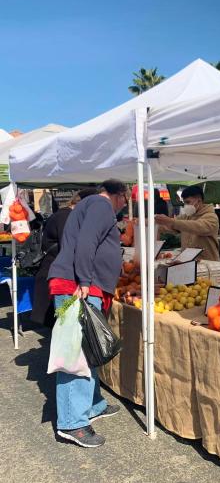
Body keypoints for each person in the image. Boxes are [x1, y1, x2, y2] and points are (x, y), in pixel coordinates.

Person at [47, 179, 128, 448]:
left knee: (89, 346)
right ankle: (72, 423)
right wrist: (83, 280)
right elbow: (86, 242)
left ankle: (92, 404)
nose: (124, 206)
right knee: (76, 353)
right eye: (125, 200)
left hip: (82, 285)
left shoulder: (91, 205)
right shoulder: (101, 205)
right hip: (77, 287)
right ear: (118, 195)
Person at [30, 188, 97, 329]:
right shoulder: (65, 217)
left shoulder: (68, 215)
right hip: (59, 276)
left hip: (58, 273)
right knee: (66, 326)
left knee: (64, 325)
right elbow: (72, 247)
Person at [155, 185, 220, 261]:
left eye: (188, 202)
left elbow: (197, 227)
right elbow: (170, 226)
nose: (185, 205)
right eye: (184, 203)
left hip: (208, 264)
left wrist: (171, 221)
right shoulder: (186, 216)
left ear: (199, 201)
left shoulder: (211, 217)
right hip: (188, 262)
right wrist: (152, 223)